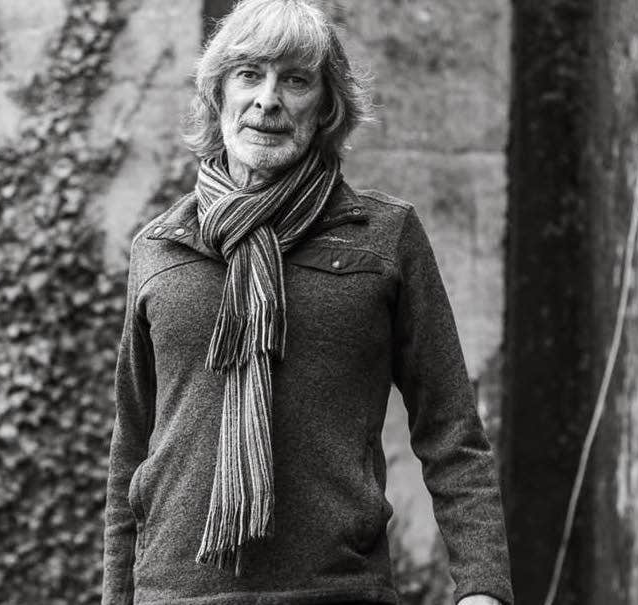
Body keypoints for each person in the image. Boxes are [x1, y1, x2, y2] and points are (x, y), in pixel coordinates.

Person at [100, 1, 514, 604]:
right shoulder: (160, 248)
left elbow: (451, 427)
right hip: (175, 591)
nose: (268, 99)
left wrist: (483, 588)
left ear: (325, 107)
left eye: (295, 80)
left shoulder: (383, 235)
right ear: (218, 94)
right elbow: (131, 449)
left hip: (338, 590)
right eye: (249, 75)